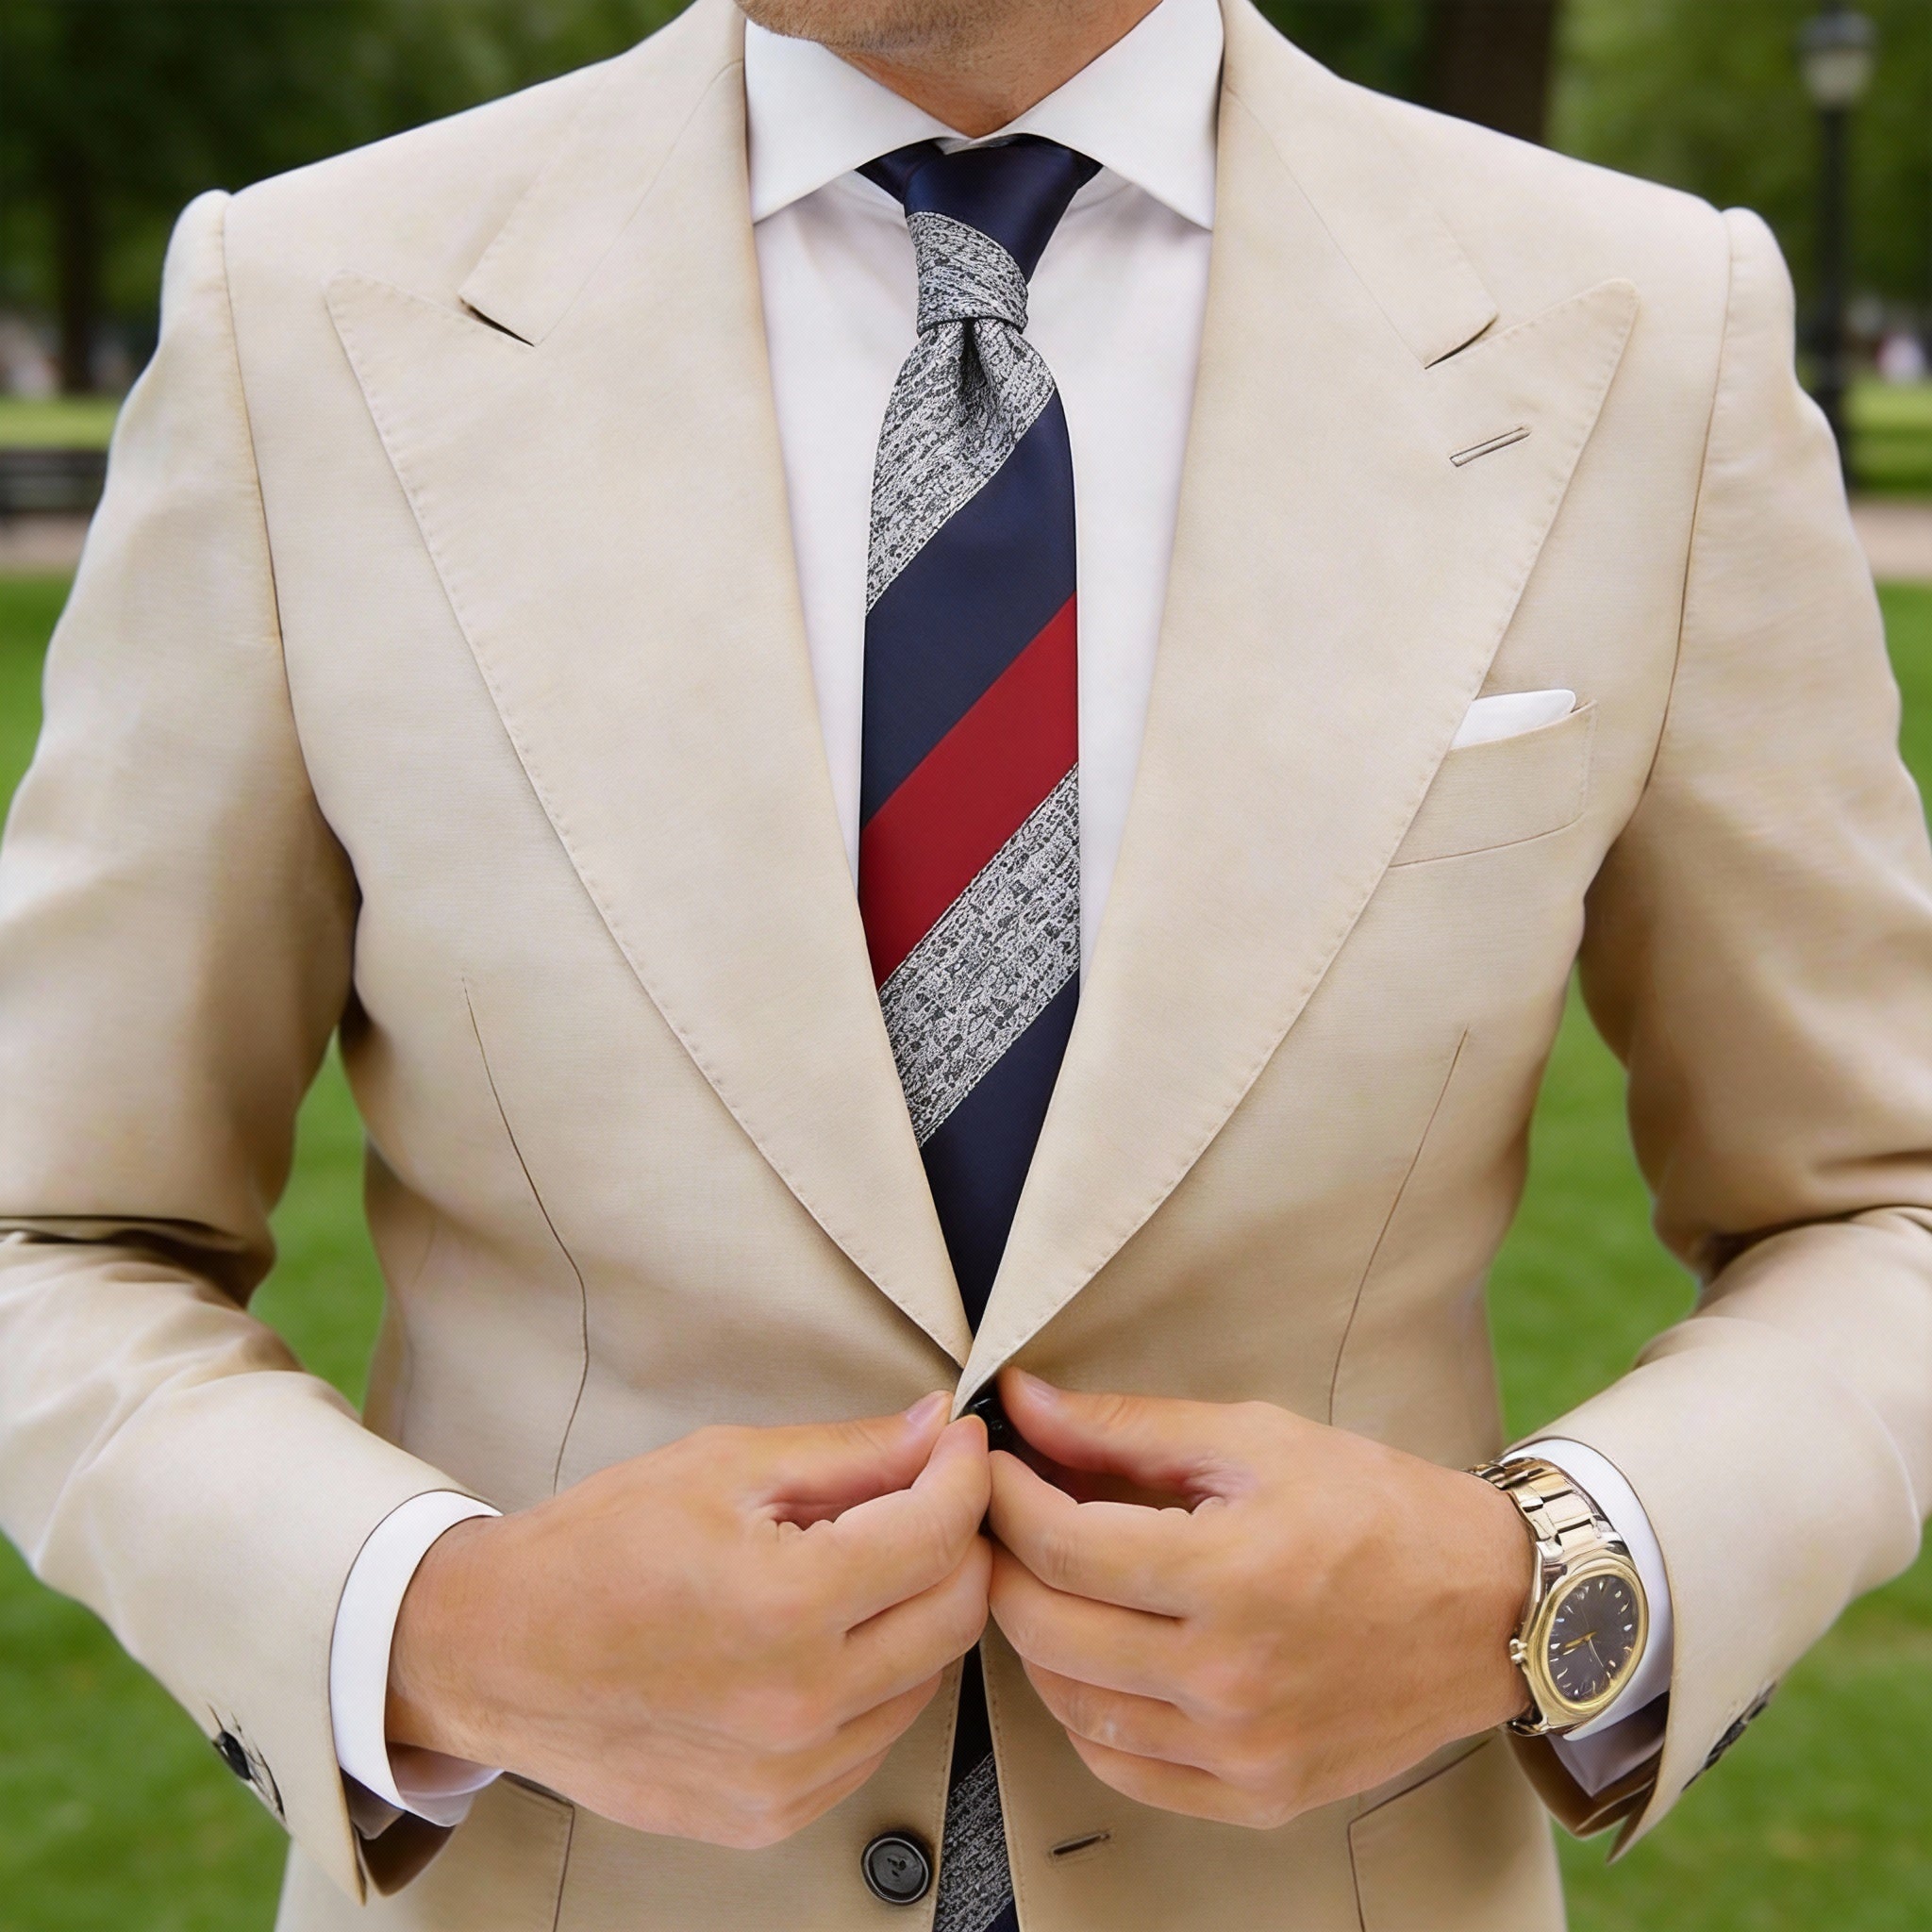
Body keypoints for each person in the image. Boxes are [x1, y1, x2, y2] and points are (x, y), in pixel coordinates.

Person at [3, 0, 1929, 1925]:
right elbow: (52, 1229)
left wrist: (1543, 1588)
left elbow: (1880, 1204)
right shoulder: (308, 308)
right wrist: (442, 1626)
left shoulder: (1643, 325)